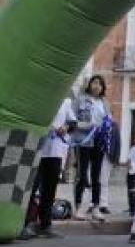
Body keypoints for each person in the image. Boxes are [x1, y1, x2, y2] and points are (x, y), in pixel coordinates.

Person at [25, 96, 77, 238]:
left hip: (55, 151)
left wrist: (66, 127)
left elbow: (73, 122)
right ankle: (28, 223)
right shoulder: (38, 97)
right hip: (36, 149)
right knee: (30, 188)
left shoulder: (65, 101)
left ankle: (45, 224)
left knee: (49, 189)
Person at [72, 75, 111, 220]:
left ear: (103, 87)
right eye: (95, 83)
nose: (97, 86)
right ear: (89, 85)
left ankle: (95, 207)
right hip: (84, 141)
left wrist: (106, 130)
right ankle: (78, 207)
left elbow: (108, 121)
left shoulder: (105, 103)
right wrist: (89, 126)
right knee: (82, 174)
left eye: (100, 84)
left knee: (96, 175)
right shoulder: (80, 99)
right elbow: (72, 120)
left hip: (99, 142)